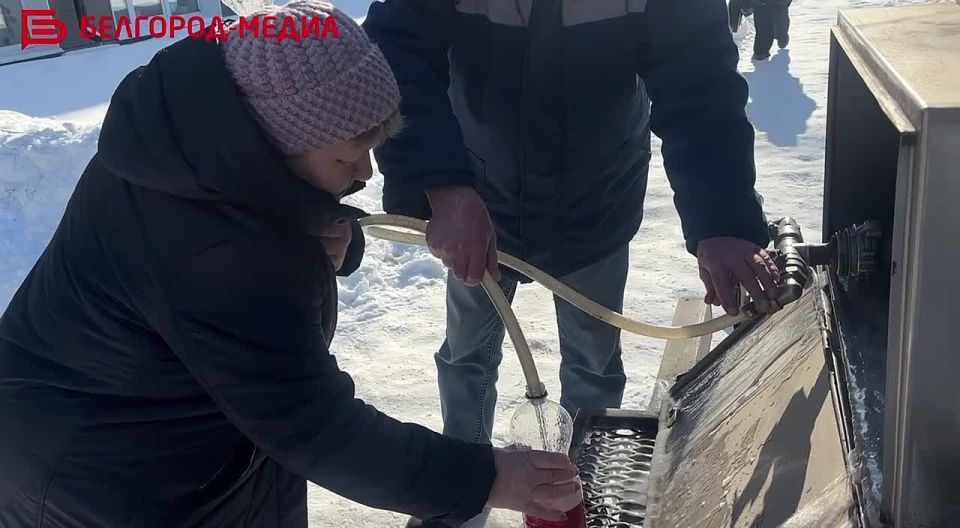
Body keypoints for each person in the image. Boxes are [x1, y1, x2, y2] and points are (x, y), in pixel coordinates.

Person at [0, 2, 583, 527]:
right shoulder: (214, 249)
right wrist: (485, 478)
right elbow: (316, 428)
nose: (365, 177)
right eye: (349, 155)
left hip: (193, 439)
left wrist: (322, 237)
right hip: (107, 476)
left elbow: (265, 226)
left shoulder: (193, 148)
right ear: (283, 140)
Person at [362, 1, 782, 526]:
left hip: (596, 201)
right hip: (476, 196)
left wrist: (722, 216)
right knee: (467, 355)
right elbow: (398, 49)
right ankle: (459, 483)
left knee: (592, 363)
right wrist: (442, 185)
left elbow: (697, 76)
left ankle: (583, 490)